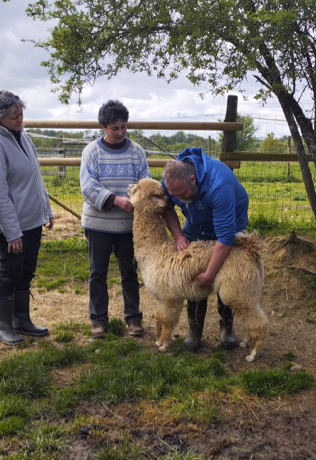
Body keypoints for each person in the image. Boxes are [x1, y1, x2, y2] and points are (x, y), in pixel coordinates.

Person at [0, 91, 54, 346]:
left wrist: (47, 211)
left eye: (21, 113)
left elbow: (36, 178)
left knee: (26, 270)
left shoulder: (24, 138)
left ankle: (22, 319)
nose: (20, 119)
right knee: (10, 272)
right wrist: (12, 232)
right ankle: (4, 326)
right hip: (13, 226)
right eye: (13, 116)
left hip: (32, 220)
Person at [161, 148, 249, 351]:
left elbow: (225, 237)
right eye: (175, 195)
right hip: (195, 225)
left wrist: (209, 274)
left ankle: (227, 329)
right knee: (193, 271)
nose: (179, 199)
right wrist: (179, 236)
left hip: (229, 226)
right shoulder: (172, 182)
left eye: (182, 194)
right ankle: (195, 330)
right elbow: (167, 208)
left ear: (193, 179)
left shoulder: (220, 185)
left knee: (225, 274)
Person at [79, 100, 151, 338]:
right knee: (97, 272)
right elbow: (88, 186)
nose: (120, 132)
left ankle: (133, 318)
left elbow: (145, 183)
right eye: (114, 128)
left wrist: (137, 199)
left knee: (129, 272)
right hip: (98, 224)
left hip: (127, 227)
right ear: (104, 127)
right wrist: (116, 200)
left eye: (123, 127)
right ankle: (98, 320)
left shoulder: (137, 152)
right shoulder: (92, 152)